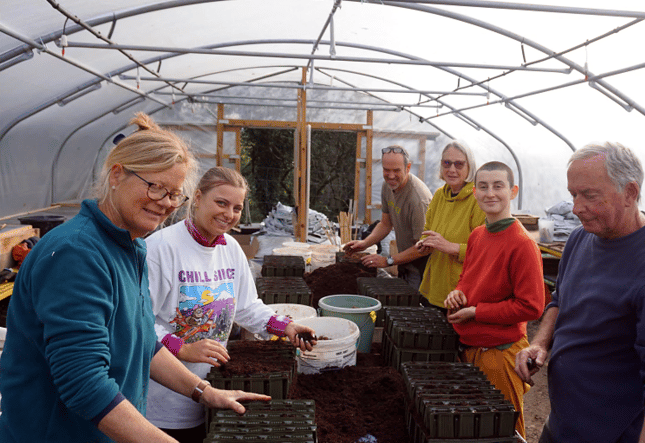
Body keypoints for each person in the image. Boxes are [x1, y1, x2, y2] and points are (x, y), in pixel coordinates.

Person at [0, 113, 271, 443]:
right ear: (116, 175)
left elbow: (144, 343)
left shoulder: (131, 249)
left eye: (174, 194)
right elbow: (84, 383)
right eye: (156, 187)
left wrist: (204, 391)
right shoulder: (76, 254)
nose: (166, 204)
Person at [514, 142, 645, 443]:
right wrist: (540, 342)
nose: (576, 208)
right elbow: (561, 300)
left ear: (630, 192)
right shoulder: (581, 238)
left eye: (589, 195)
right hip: (562, 425)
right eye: (573, 194)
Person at [144, 166, 317, 443]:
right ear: (198, 198)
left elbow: (247, 306)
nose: (229, 214)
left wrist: (286, 327)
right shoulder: (160, 248)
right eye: (221, 203)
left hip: (215, 391)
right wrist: (183, 348)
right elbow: (138, 324)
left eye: (237, 208)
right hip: (164, 401)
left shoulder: (230, 249)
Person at [444, 161, 545, 440]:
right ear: (474, 192)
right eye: (484, 187)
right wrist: (458, 293)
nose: (491, 193)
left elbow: (531, 306)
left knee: (503, 433)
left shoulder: (522, 244)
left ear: (512, 191)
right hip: (470, 348)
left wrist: (476, 312)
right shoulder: (478, 235)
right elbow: (467, 277)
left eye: (498, 186)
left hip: (500, 356)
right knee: (475, 430)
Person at [344, 145, 432, 289]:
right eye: (386, 170)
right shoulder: (388, 186)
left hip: (423, 265)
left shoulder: (418, 200)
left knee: (416, 304)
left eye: (396, 170)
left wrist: (388, 261)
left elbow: (423, 248)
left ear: (408, 167)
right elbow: (386, 224)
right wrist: (364, 243)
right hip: (404, 260)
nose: (391, 175)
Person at [416, 140, 485, 308]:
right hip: (435, 287)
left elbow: (485, 251)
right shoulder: (440, 195)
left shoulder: (478, 199)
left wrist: (451, 247)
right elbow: (427, 231)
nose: (452, 169)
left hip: (460, 293)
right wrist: (423, 243)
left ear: (470, 166)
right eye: (447, 163)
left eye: (459, 164)